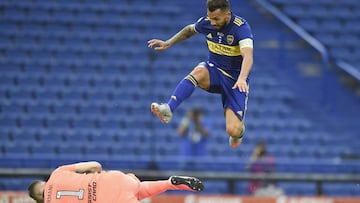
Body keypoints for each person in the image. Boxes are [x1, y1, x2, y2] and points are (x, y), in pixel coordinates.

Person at [148, 0, 254, 148]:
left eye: (216, 19)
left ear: (227, 15)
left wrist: (242, 78)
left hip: (235, 81)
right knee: (199, 71)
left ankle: (240, 133)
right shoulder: (207, 22)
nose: (212, 22)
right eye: (210, 18)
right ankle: (168, 108)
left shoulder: (240, 28)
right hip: (214, 71)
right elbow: (189, 30)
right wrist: (168, 43)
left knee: (233, 130)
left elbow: (248, 55)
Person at [28, 161, 204, 203]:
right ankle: (170, 182)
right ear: (43, 182)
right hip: (112, 179)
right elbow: (95, 165)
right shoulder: (57, 173)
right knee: (140, 189)